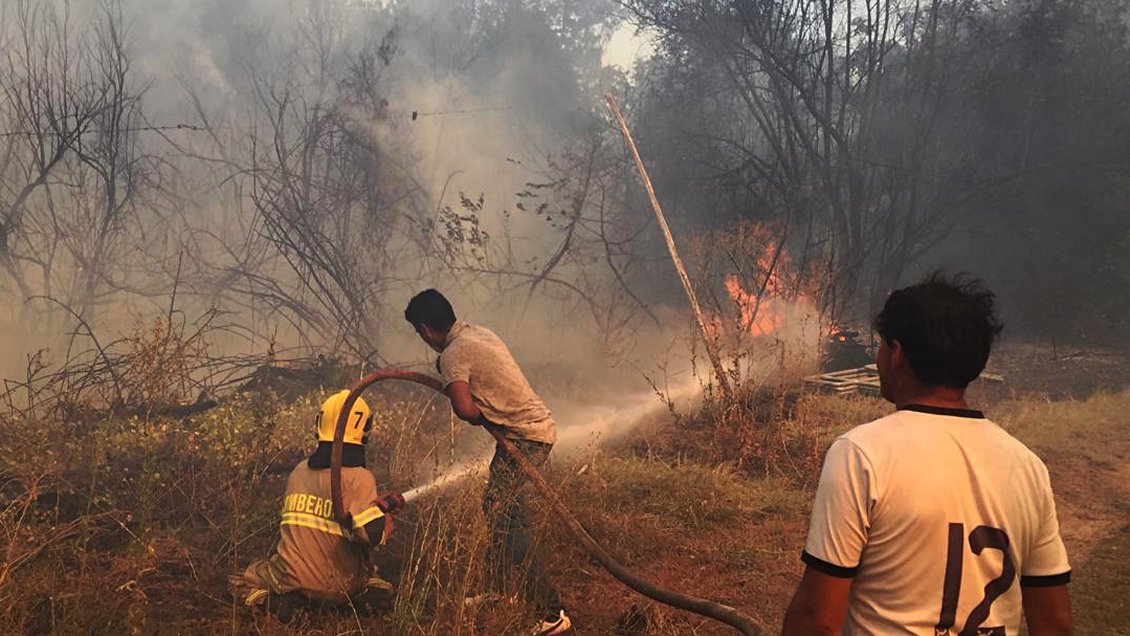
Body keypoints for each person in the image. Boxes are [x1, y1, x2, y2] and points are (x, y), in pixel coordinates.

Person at [782, 273, 1073, 636]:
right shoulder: (1027, 466)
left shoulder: (862, 455)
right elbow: (1055, 622)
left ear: (897, 354)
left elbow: (817, 619)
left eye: (882, 346)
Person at [404, 289, 571, 635]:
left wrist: (475, 408)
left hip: (525, 437)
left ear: (425, 329)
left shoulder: (453, 353)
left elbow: (465, 410)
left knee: (508, 518)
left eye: (419, 333)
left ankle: (550, 612)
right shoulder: (478, 333)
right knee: (496, 507)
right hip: (529, 431)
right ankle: (499, 589)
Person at [231, 390, 405, 622]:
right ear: (363, 428)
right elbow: (370, 535)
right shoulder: (360, 478)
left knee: (242, 579)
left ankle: (274, 603)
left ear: (320, 423)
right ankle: (360, 602)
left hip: (292, 580)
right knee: (377, 581)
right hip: (344, 586)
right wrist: (384, 522)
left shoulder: (299, 471)